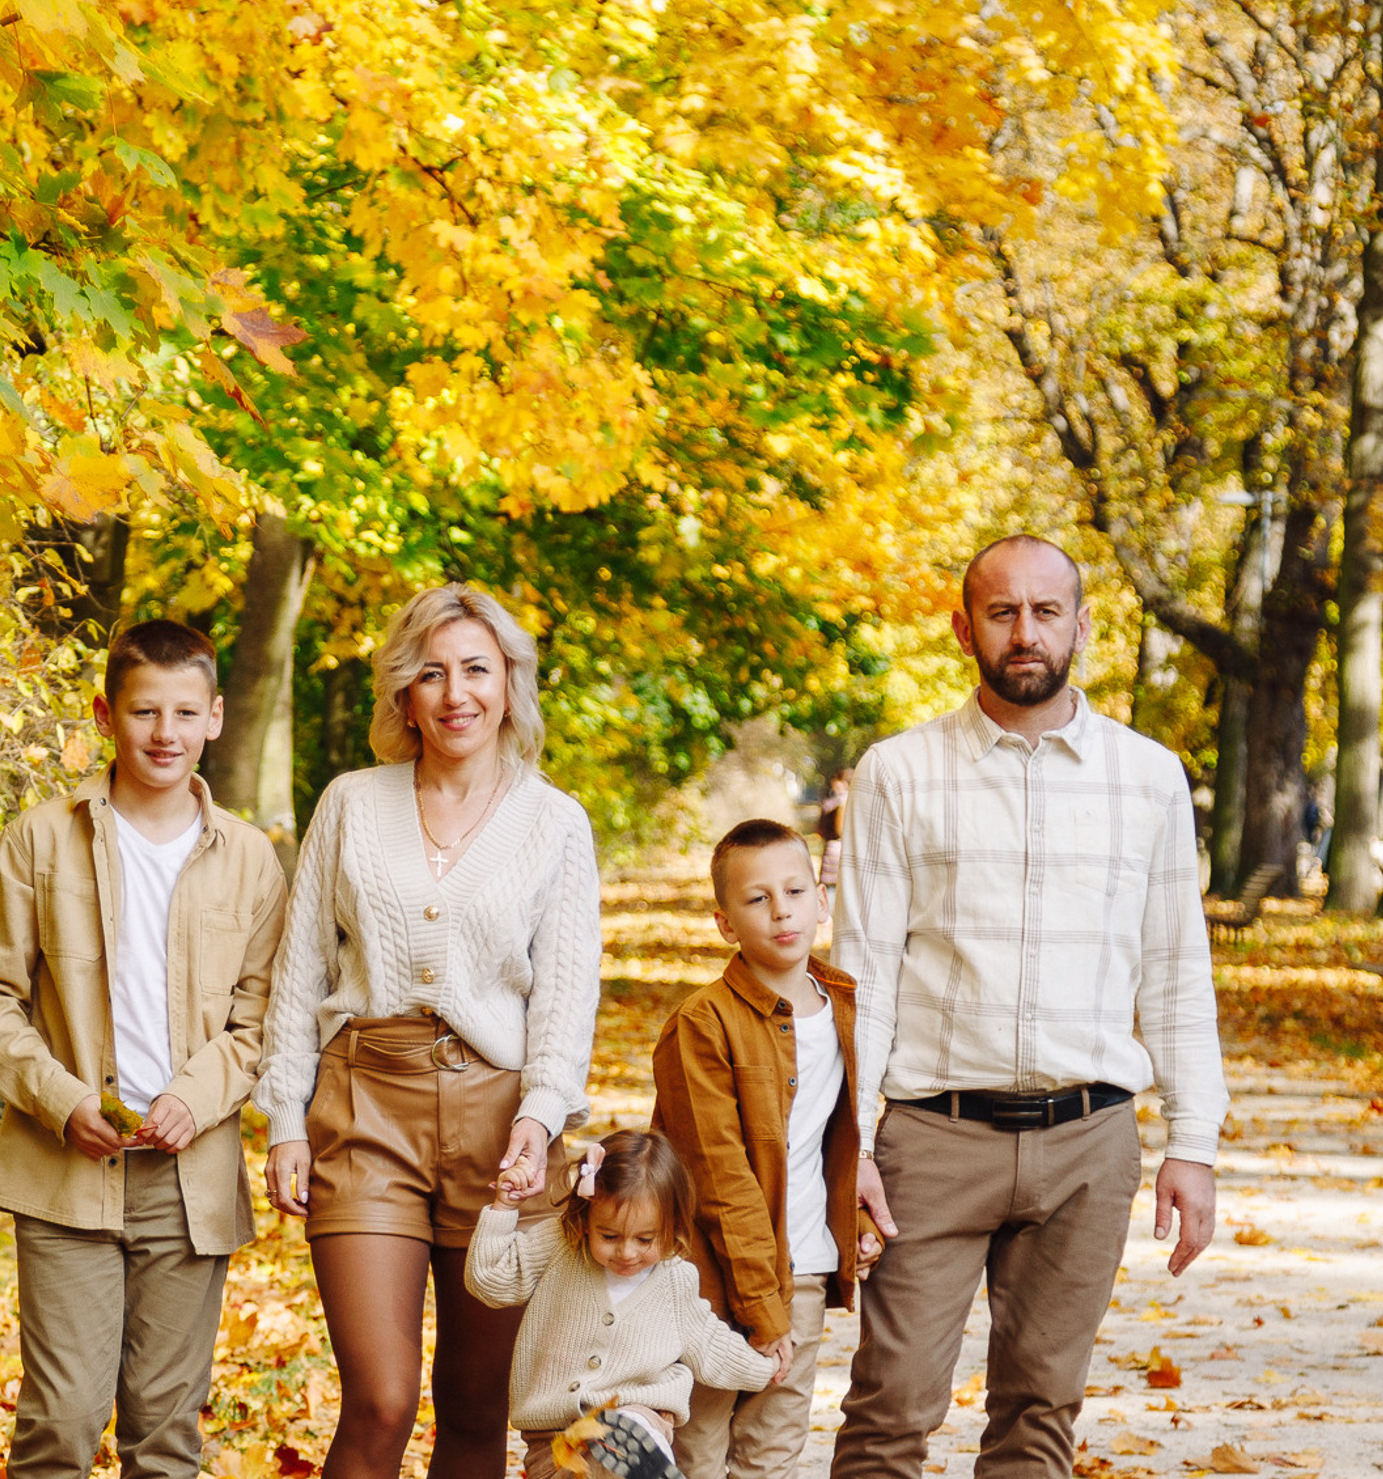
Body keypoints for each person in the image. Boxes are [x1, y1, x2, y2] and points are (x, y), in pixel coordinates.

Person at [831, 536, 1230, 1479]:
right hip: (933, 1138)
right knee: (890, 1406)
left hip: (1090, 1144)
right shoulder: (898, 772)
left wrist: (1195, 1144)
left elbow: (1176, 968)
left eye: (1046, 611)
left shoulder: (1148, 776)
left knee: (1040, 1414)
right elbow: (864, 973)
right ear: (964, 627)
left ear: (1081, 625)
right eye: (1003, 612)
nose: (1025, 632)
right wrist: (844, 1143)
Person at [255, 583, 601, 1479]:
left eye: (477, 670)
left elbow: (565, 1001)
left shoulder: (555, 821)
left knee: (478, 1406)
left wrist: (540, 1120)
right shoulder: (351, 804)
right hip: (365, 1108)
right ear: (404, 693)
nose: (457, 694)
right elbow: (300, 976)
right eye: (432, 673)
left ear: (510, 683)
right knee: (380, 1400)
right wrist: (286, 1120)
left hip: (502, 1130)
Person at [0, 620, 288, 1479]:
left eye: (183, 713)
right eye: (143, 711)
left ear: (214, 716)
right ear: (106, 714)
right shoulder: (39, 838)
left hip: (189, 1182)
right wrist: (64, 1102)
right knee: (60, 1424)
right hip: (67, 1175)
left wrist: (199, 1095)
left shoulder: (250, 859)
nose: (163, 734)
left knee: (164, 1435)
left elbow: (264, 1015)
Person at [652, 819, 880, 1479]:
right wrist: (760, 1307)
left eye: (796, 891)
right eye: (758, 900)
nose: (782, 911)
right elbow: (717, 1177)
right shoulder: (701, 1024)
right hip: (709, 1286)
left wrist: (854, 1220)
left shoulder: (848, 1006)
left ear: (822, 899)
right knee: (697, 1451)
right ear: (725, 923)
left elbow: (842, 1139)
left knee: (772, 1458)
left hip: (803, 1269)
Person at [466, 1130, 774, 1479]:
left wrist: (767, 1365)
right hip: (553, 1443)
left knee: (621, 1428)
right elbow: (489, 1281)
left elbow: (711, 1346)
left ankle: (645, 1463)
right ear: (585, 1219)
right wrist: (503, 1209)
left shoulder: (675, 1280)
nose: (627, 1252)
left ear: (672, 1228)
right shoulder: (559, 1246)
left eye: (645, 1239)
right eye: (609, 1236)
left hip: (638, 1419)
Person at [815, 768, 853, 890]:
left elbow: (837, 830)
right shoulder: (857, 803)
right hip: (848, 851)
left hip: (833, 851)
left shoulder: (832, 804)